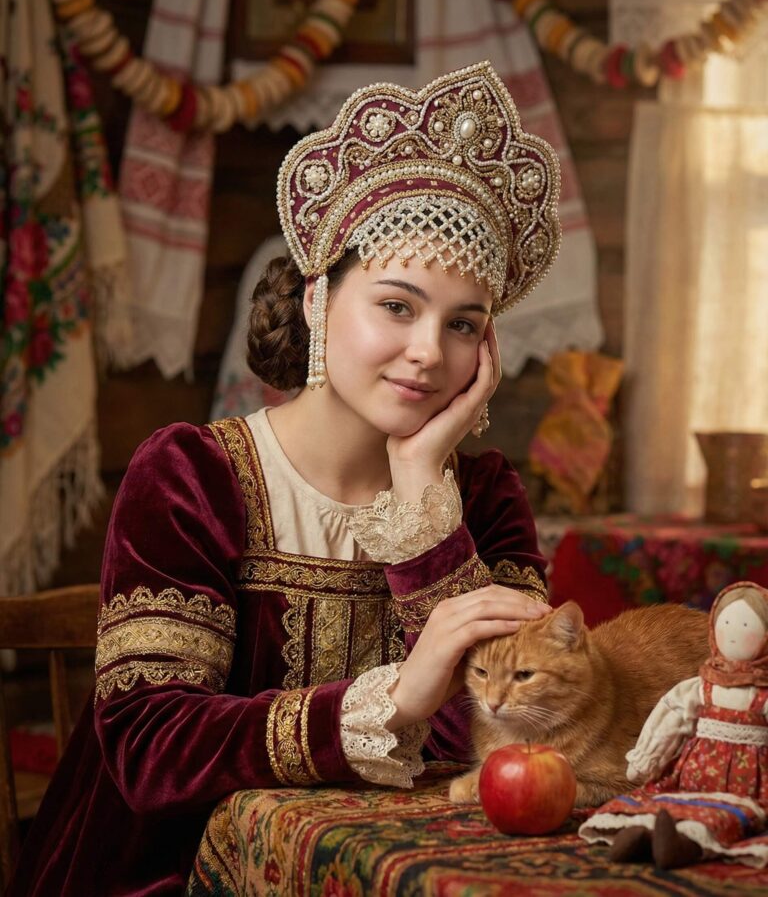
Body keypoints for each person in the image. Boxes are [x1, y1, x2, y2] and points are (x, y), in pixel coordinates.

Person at [9, 60, 562, 896]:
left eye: (462, 325)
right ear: (316, 301)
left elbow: (512, 739)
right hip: (166, 873)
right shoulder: (193, 474)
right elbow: (148, 745)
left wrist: (423, 510)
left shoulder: (480, 499)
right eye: (397, 305)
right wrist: (390, 703)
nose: (427, 352)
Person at [579, 581, 768, 869]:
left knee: (732, 814)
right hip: (696, 768)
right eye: (726, 623)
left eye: (745, 626)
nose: (733, 635)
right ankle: (638, 831)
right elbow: (670, 716)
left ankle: (686, 846)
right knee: (660, 798)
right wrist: (646, 756)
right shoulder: (703, 685)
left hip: (750, 779)